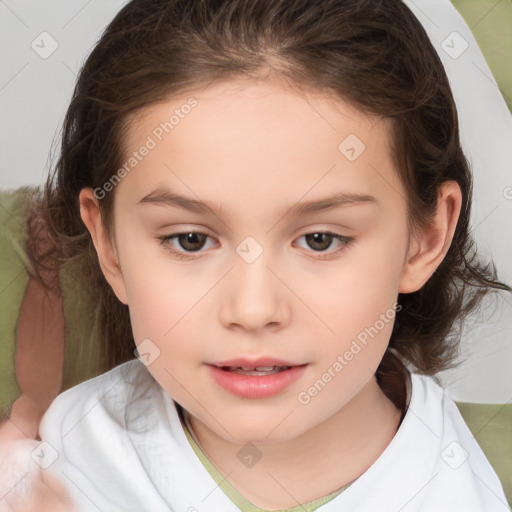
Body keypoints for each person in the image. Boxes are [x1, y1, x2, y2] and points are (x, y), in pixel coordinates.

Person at [3, 0, 511, 510]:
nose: (253, 309)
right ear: (109, 246)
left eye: (320, 240)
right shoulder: (55, 467)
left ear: (425, 237)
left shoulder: (486, 480)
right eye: (190, 240)